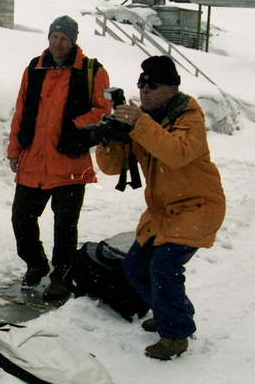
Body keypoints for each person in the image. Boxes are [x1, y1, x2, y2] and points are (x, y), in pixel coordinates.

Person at [95, 55, 225, 360]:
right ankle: (172, 311)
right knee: (135, 266)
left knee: (164, 264)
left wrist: (139, 123)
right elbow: (114, 168)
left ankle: (176, 335)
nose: (144, 91)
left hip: (198, 207)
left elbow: (176, 153)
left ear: (171, 89)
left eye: (152, 85)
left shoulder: (188, 117)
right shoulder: (145, 121)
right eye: (141, 84)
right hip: (164, 213)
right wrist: (108, 138)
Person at [7, 15, 112, 302]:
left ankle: (61, 278)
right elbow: (21, 111)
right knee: (21, 220)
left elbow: (104, 109)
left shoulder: (92, 71)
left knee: (65, 228)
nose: (57, 43)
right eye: (54, 36)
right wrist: (14, 150)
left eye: (64, 38)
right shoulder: (34, 68)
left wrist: (74, 125)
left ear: (74, 40)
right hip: (34, 159)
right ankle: (36, 263)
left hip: (70, 161)